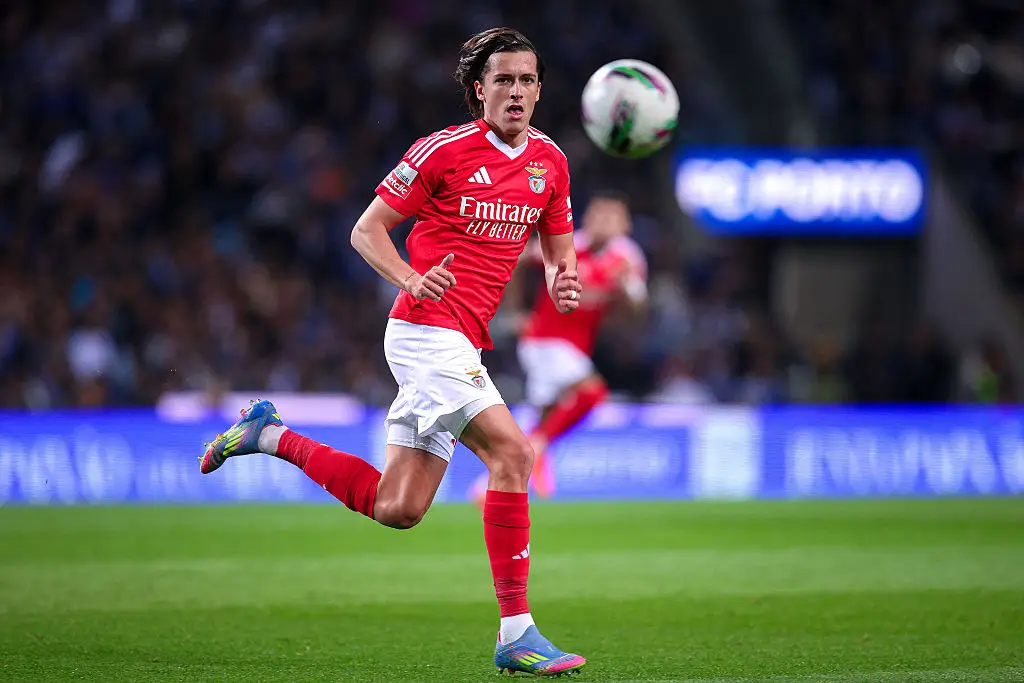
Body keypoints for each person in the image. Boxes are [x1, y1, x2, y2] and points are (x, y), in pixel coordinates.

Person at [198, 27, 586, 678]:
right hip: (425, 329)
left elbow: (556, 240)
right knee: (514, 454)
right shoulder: (442, 151)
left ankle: (268, 436)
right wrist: (409, 276)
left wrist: (562, 276)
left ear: (540, 89)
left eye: (527, 80)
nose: (516, 91)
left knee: (397, 508)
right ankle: (517, 630)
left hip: (462, 338)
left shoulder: (551, 161)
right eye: (503, 80)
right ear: (477, 90)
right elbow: (365, 230)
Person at [471, 190, 648, 503]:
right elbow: (520, 258)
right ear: (588, 218)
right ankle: (538, 447)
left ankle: (489, 485)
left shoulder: (627, 259)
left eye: (613, 217)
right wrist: (515, 312)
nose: (605, 223)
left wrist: (626, 293)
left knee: (544, 416)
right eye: (599, 215)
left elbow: (638, 309)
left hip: (577, 347)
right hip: (544, 341)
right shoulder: (567, 245)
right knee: (592, 392)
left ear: (625, 225)